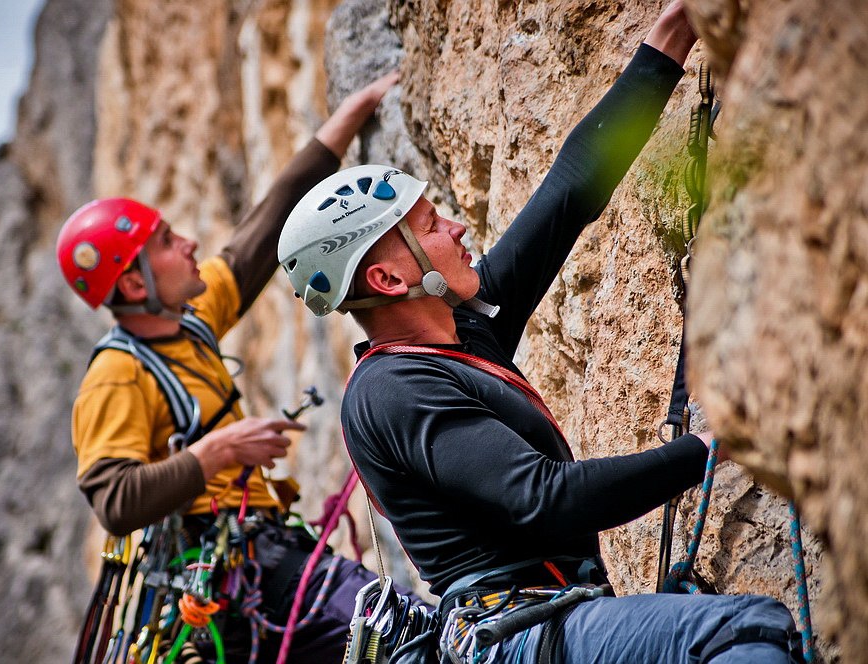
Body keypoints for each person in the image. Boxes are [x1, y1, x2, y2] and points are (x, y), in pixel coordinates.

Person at [277, 3, 802, 662]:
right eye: (432, 226)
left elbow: (568, 195)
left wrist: (670, 40)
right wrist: (713, 447)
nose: (459, 229)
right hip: (513, 638)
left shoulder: (462, 328)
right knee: (740, 626)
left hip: (545, 621)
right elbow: (549, 498)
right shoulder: (390, 392)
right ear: (387, 280)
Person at [57, 72, 424, 663]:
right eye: (166, 242)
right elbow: (114, 499)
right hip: (234, 576)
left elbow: (264, 228)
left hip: (255, 567)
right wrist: (217, 454)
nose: (190, 243)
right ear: (133, 282)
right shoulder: (117, 376)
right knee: (410, 637)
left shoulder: (193, 319)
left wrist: (351, 115)